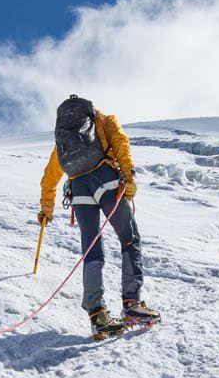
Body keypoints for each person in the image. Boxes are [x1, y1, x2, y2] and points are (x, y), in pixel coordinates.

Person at [38, 96, 160, 340]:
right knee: (129, 239)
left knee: (92, 250)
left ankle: (98, 316)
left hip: (78, 189)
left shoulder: (65, 143)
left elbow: (50, 176)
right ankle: (132, 303)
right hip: (106, 180)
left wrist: (47, 209)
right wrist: (129, 176)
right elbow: (121, 144)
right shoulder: (104, 121)